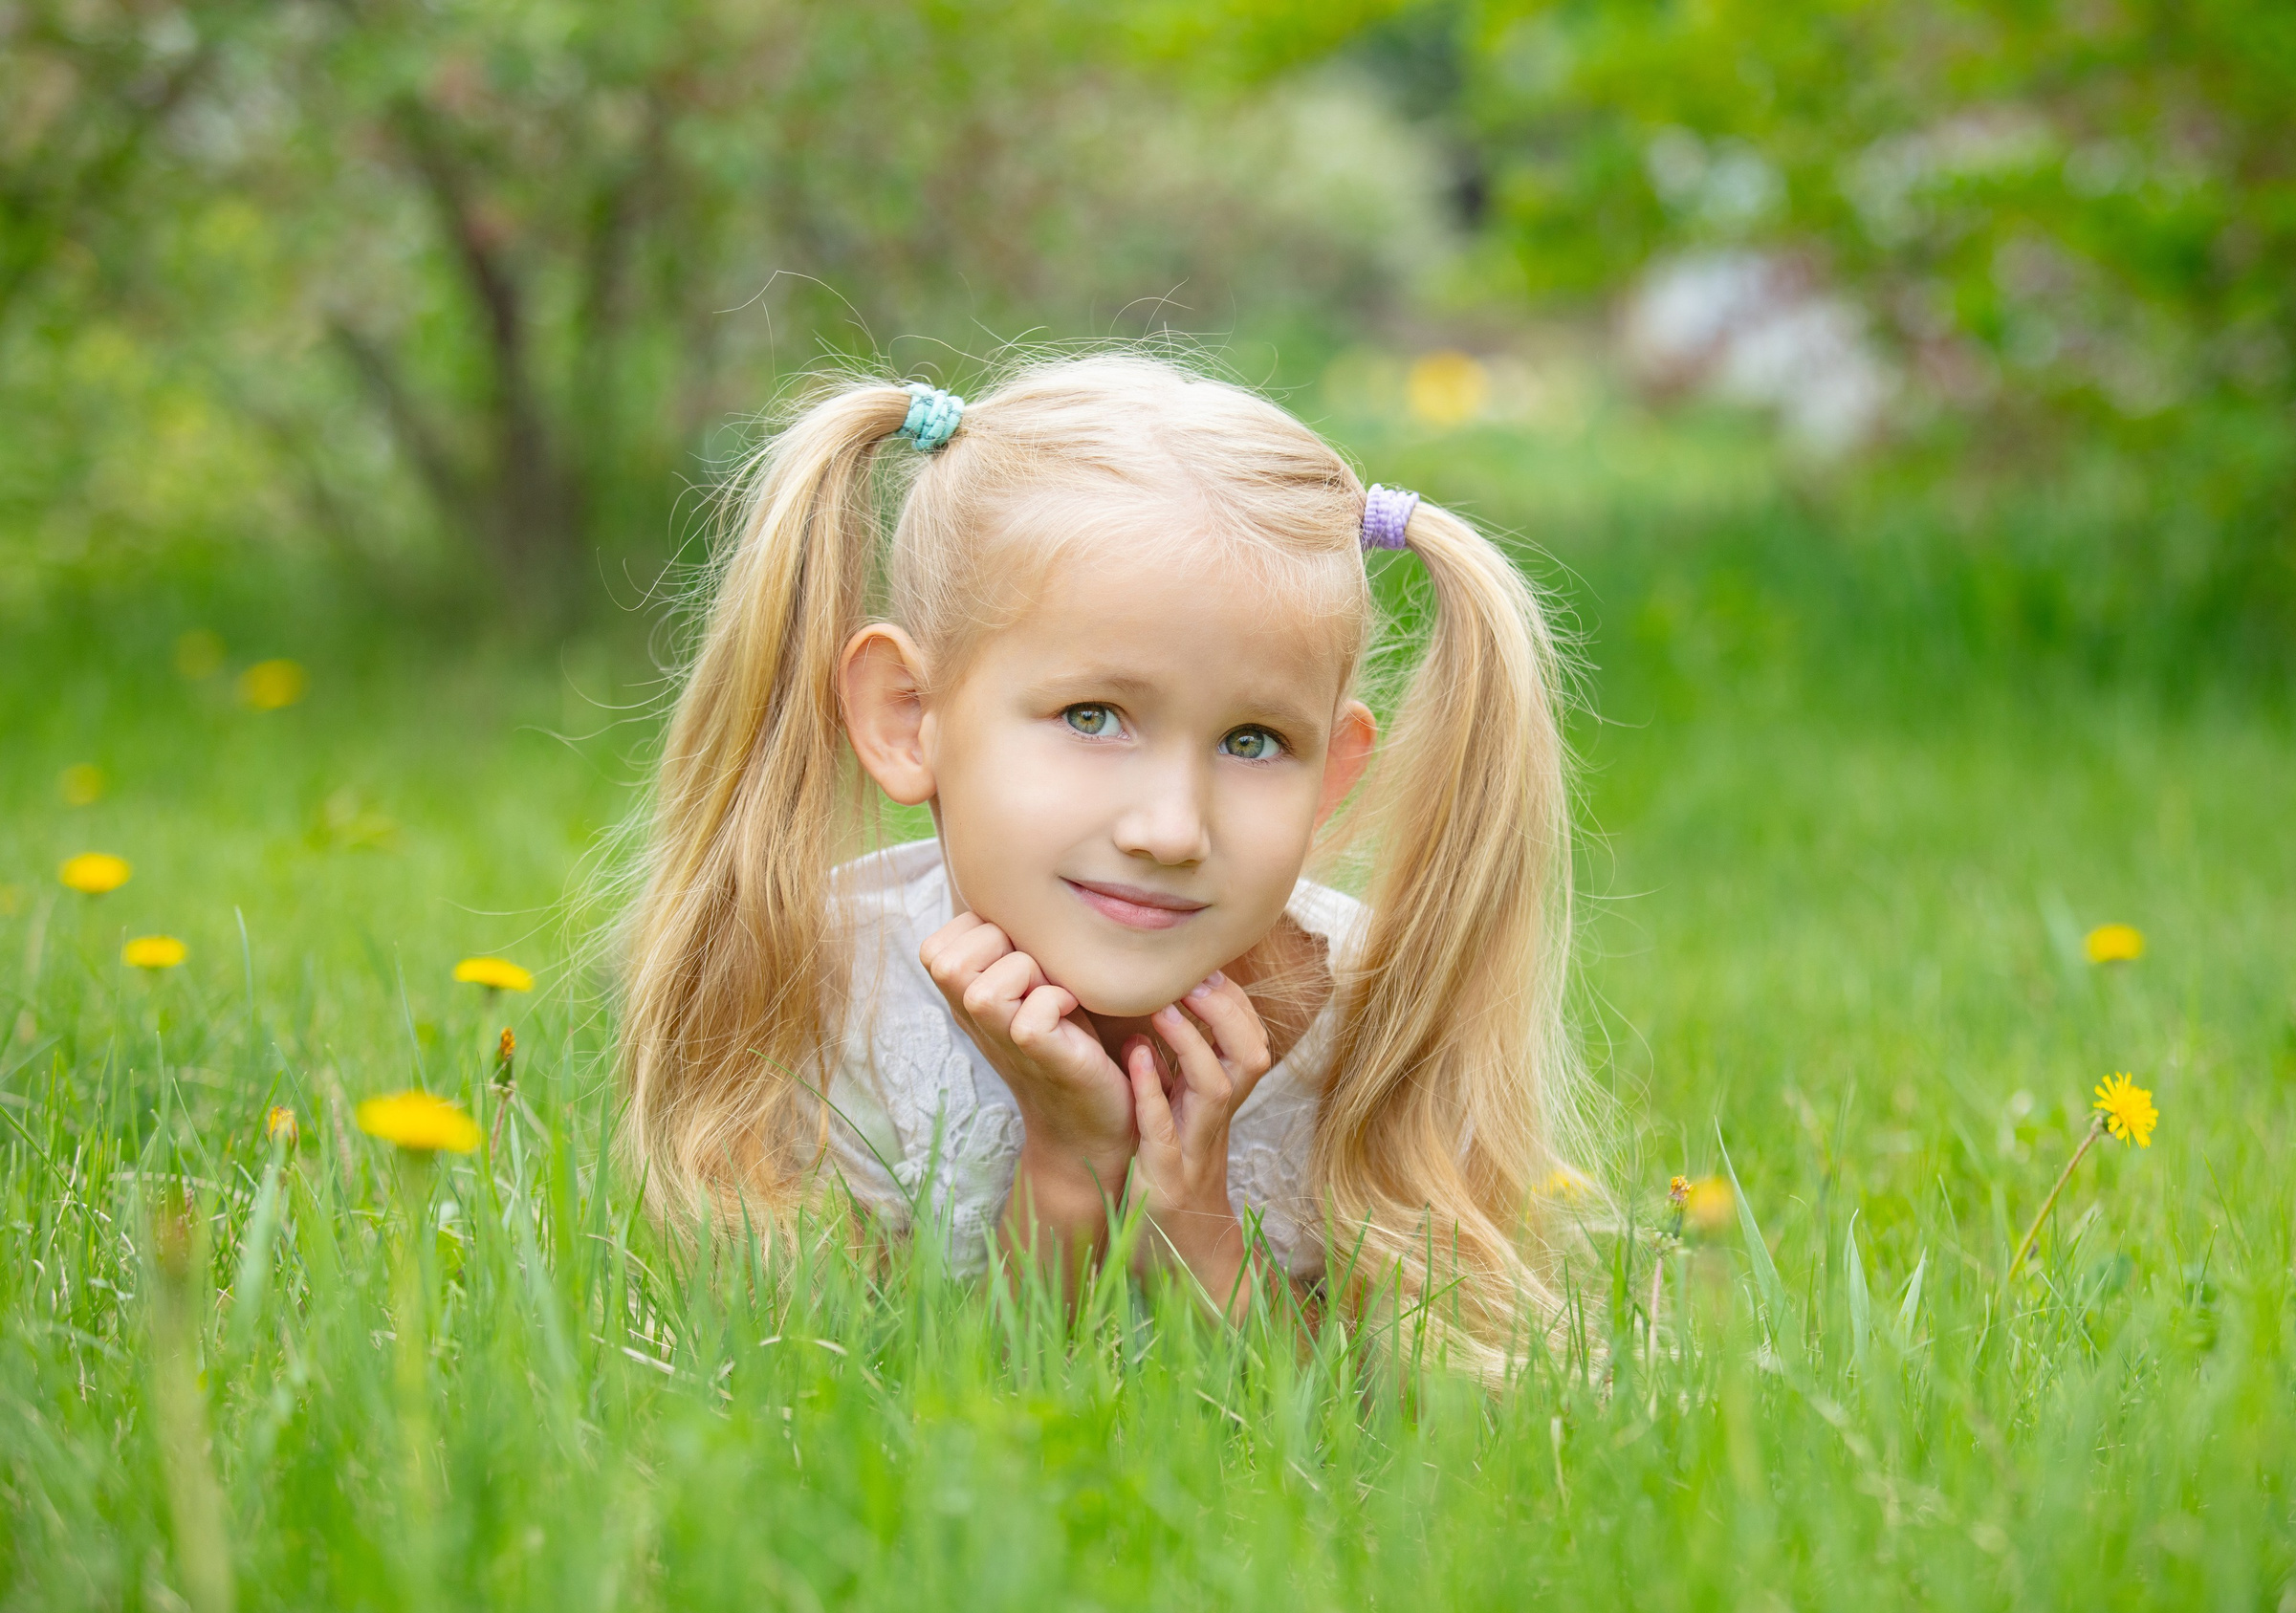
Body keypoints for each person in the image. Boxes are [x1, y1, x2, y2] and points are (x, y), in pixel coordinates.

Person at [618, 353, 1579, 1366]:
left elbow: (1366, 1452)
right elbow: (881, 1428)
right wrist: (1067, 1171)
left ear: (1330, 775)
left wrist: (1197, 1220)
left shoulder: (1378, 1014)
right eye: (1093, 717)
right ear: (908, 717)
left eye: (1253, 742)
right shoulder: (821, 992)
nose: (1171, 830)